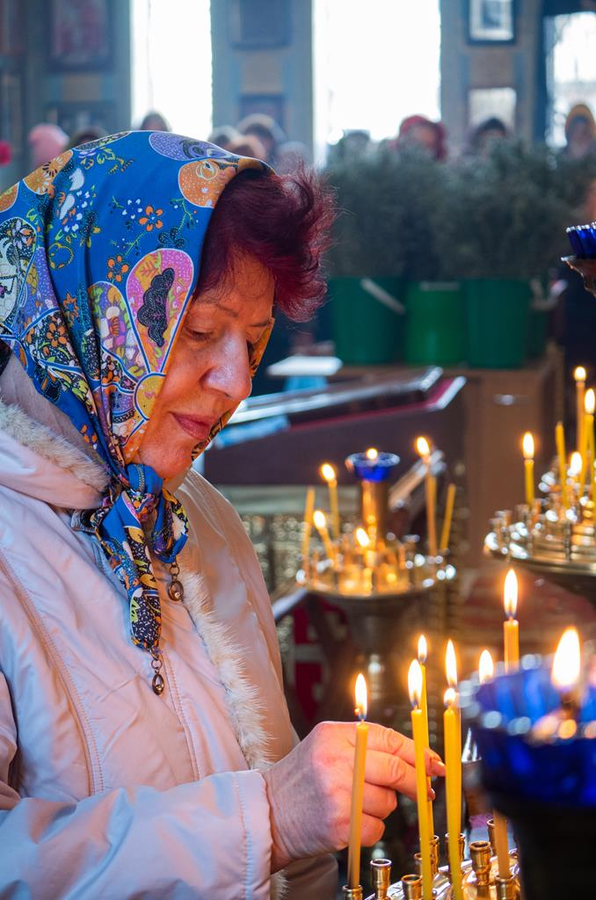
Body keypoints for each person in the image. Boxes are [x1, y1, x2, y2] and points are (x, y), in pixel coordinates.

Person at [0, 131, 444, 898]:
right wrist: (264, 817)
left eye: (256, 341)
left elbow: (290, 827)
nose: (236, 381)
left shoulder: (195, 513)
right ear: (85, 315)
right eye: (200, 333)